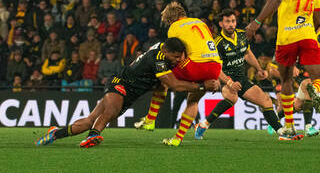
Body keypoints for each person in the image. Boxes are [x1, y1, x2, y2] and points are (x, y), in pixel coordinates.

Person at [35, 38, 219, 148]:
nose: (179, 60)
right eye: (176, 57)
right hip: (121, 81)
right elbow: (176, 86)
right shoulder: (159, 60)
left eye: (181, 56)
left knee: (89, 120)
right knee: (112, 109)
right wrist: (203, 86)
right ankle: (94, 136)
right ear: (165, 51)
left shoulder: (166, 52)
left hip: (131, 94)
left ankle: (55, 133)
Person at [135, 2, 241, 146]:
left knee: (163, 76)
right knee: (193, 100)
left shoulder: (174, 27)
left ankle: (150, 120)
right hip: (215, 65)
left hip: (196, 66)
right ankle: (177, 139)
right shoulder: (200, 23)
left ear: (170, 19)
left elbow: (177, 52)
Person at [246, 0, 320, 138]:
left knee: (285, 80)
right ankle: (316, 90)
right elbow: (318, 17)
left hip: (286, 39)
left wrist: (257, 21)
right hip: (308, 36)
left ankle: (289, 125)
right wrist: (312, 31)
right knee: (316, 76)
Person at [195, 9, 287, 141]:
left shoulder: (242, 35)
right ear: (221, 24)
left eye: (233, 21)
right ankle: (204, 125)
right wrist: (229, 82)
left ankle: (282, 132)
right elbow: (216, 69)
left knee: (266, 101)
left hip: (242, 79)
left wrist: (259, 69)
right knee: (232, 98)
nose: (231, 24)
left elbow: (247, 53)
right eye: (227, 22)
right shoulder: (217, 43)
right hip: (224, 80)